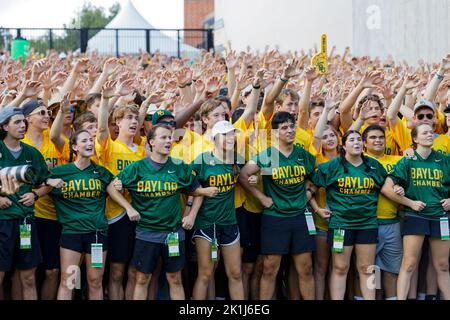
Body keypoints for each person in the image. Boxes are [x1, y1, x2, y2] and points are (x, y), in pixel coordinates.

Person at [115, 124, 202, 300]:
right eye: (163, 137)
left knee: (175, 278)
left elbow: (199, 191)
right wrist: (129, 207)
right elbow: (112, 186)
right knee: (142, 278)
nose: (169, 140)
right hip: (146, 233)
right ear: (152, 142)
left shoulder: (179, 167)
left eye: (170, 137)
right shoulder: (137, 167)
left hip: (174, 234)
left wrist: (191, 215)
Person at [239, 112, 317, 300]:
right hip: (275, 217)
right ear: (275, 133)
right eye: (284, 128)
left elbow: (314, 179)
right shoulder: (268, 155)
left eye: (292, 126)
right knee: (269, 268)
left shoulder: (305, 155)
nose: (290, 130)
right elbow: (242, 175)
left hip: (300, 216)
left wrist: (309, 193)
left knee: (305, 268)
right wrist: (261, 198)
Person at [47, 130, 131, 300]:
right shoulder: (61, 172)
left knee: (95, 281)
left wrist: (121, 190)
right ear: (75, 146)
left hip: (97, 234)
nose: (90, 143)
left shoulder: (101, 172)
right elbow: (40, 184)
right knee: (68, 280)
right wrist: (47, 180)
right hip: (72, 232)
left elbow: (114, 187)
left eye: (91, 140)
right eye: (84, 140)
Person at [311, 130, 387, 300]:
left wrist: (399, 188)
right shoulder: (331, 166)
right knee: (339, 268)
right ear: (343, 146)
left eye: (359, 139)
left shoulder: (374, 165)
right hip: (340, 225)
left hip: (367, 224)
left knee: (368, 268)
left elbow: (388, 186)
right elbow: (309, 189)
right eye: (351, 140)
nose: (357, 142)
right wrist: (317, 209)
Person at [381, 123, 450, 300]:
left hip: (439, 216)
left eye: (432, 132)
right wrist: (409, 203)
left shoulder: (443, 159)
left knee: (442, 265)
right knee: (409, 263)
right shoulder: (408, 160)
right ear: (415, 138)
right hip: (416, 215)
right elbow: (386, 188)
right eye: (425, 132)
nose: (430, 135)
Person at [0, 106, 62, 300]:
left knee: (28, 276)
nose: (22, 125)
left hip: (26, 221)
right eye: (16, 122)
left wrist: (36, 195)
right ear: (4, 126)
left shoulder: (32, 153)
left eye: (23, 121)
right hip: (2, 222)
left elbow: (47, 183)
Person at [191, 120, 245, 300]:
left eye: (232, 134)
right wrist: (202, 191)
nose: (230, 138)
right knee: (205, 274)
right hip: (207, 222)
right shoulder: (202, 160)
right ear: (215, 138)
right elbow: (187, 186)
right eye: (226, 135)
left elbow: (247, 174)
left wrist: (250, 180)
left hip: (229, 222)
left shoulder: (236, 159)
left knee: (236, 273)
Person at [21, 99, 66, 300]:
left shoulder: (54, 139)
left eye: (48, 113)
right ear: (27, 119)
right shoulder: (20, 143)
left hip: (53, 215)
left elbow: (56, 132)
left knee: (52, 271)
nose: (46, 116)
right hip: (26, 214)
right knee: (24, 272)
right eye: (41, 113)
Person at [362, 124, 403, 300]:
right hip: (367, 222)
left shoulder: (397, 160)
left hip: (392, 222)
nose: (378, 140)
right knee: (370, 270)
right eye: (373, 137)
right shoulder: (359, 160)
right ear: (364, 142)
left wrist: (401, 187)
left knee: (391, 270)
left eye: (381, 137)